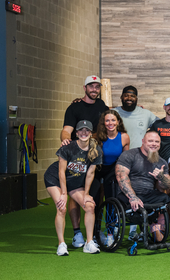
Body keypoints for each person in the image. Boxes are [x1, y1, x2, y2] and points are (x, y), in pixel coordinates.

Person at [60, 75, 109, 248]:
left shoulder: (102, 105)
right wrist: (66, 140)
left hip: (95, 155)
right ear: (85, 88)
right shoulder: (74, 108)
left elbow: (112, 118)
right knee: (75, 192)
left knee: (97, 192)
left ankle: (94, 230)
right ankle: (77, 233)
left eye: (97, 86)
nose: (94, 89)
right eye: (91, 86)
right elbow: (66, 130)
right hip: (78, 155)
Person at [44, 120, 103, 255]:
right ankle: (61, 244)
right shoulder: (68, 148)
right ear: (76, 133)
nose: (84, 132)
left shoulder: (96, 150)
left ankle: (89, 243)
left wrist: (86, 193)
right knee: (61, 207)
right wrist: (64, 193)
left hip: (75, 182)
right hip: (55, 179)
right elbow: (61, 172)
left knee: (89, 206)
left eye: (87, 130)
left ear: (91, 133)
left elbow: (90, 174)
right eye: (81, 130)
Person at [115, 130, 170, 243]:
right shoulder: (129, 155)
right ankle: (152, 228)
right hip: (128, 194)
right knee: (130, 196)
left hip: (148, 194)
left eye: (157, 142)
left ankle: (158, 230)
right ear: (143, 141)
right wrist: (133, 197)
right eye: (150, 141)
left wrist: (161, 177)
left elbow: (168, 184)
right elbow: (121, 177)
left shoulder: (161, 162)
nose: (154, 144)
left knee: (165, 198)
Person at [94, 110, 130, 204]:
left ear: (118, 121)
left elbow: (125, 159)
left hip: (112, 169)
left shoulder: (124, 137)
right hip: (97, 168)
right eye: (107, 120)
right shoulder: (96, 137)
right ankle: (96, 218)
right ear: (103, 123)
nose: (110, 123)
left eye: (113, 120)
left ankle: (111, 218)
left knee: (111, 196)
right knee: (96, 198)